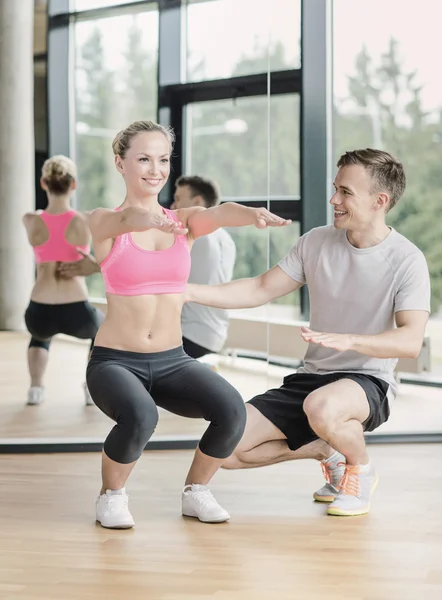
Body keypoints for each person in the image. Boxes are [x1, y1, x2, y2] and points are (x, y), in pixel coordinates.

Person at [186, 148, 431, 517]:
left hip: (368, 381)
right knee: (228, 447)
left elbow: (411, 340)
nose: (334, 199)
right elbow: (258, 289)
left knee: (323, 408)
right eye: (336, 189)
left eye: (346, 192)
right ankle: (324, 449)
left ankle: (359, 471)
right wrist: (186, 292)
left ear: (380, 200)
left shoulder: (406, 259)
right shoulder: (316, 242)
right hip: (311, 379)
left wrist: (352, 341)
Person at [85, 120, 291, 529]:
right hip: (114, 362)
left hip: (171, 359)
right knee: (141, 416)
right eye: (143, 158)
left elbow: (217, 213)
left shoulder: (183, 222)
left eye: (163, 159)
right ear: (120, 163)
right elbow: (123, 223)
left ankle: (196, 491)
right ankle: (111, 496)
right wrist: (145, 220)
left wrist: (250, 215)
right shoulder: (103, 221)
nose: (155, 169)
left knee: (232, 409)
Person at [22, 155, 104, 406]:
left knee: (39, 336)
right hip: (77, 311)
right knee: (102, 331)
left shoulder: (30, 219)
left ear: (43, 183)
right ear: (74, 185)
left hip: (39, 310)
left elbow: (43, 220)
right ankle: (90, 388)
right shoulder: (87, 220)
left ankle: (36, 388)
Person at [171, 175, 236, 359]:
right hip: (216, 336)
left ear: (197, 201)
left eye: (177, 200)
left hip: (189, 335)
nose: (173, 207)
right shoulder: (226, 239)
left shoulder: (191, 234)